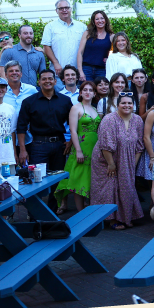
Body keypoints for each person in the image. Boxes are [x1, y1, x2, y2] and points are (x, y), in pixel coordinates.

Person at [16, 68, 73, 212]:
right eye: (44, 79)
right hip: (38, 145)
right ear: (39, 82)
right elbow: (21, 127)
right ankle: (34, 213)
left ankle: (53, 213)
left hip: (59, 145)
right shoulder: (29, 102)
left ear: (55, 81)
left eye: (50, 78)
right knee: (37, 180)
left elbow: (74, 123)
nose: (47, 81)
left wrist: (71, 141)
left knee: (57, 180)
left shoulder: (65, 101)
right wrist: (22, 150)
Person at [91, 93, 144, 230]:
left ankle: (127, 216)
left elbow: (139, 146)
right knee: (110, 187)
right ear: (117, 105)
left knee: (127, 186)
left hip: (127, 159)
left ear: (134, 105)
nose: (127, 106)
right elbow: (105, 144)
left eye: (129, 103)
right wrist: (111, 164)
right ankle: (112, 219)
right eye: (123, 103)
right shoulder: (109, 119)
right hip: (106, 158)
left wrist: (133, 163)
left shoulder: (138, 120)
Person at [54, 80, 100, 213]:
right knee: (78, 179)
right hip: (81, 147)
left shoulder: (95, 109)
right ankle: (81, 212)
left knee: (90, 178)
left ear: (94, 93)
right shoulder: (76, 108)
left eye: (90, 90)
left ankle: (90, 209)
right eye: (85, 90)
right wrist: (78, 150)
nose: (87, 92)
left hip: (94, 148)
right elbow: (73, 131)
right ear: (80, 93)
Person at [0, 60, 38, 149]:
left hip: (28, 137)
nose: (14, 73)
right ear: (6, 75)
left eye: (17, 71)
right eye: (11, 71)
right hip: (5, 138)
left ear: (21, 74)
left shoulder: (31, 90)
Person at [42, 0, 87, 91]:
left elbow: (88, 48)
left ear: (71, 9)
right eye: (61, 8)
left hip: (78, 74)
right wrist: (55, 63)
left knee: (77, 101)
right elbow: (46, 47)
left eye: (66, 7)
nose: (64, 10)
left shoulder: (82, 27)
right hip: (59, 74)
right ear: (56, 11)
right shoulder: (50, 27)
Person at [76, 10, 114, 82]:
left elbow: (117, 53)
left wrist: (109, 59)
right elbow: (80, 53)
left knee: (101, 91)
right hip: (86, 69)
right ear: (93, 21)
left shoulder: (111, 36)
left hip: (102, 70)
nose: (100, 21)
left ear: (105, 20)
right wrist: (80, 71)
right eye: (97, 19)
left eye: (102, 18)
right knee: (87, 91)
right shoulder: (87, 33)